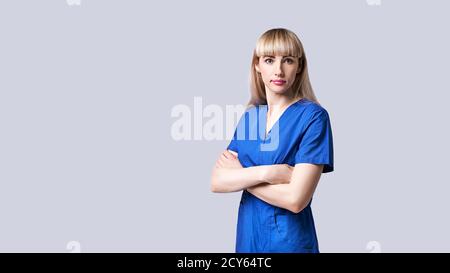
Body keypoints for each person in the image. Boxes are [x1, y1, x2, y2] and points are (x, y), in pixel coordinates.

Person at [210, 28, 334, 253]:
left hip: (289, 244)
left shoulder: (314, 117)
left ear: (299, 66)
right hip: (249, 241)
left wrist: (242, 177)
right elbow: (217, 181)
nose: (278, 70)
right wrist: (268, 173)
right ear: (257, 65)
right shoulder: (251, 118)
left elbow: (296, 200)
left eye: (287, 60)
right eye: (269, 60)